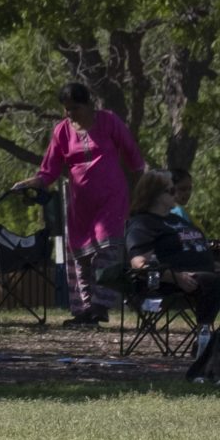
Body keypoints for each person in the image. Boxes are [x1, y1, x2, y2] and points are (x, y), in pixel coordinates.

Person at [16, 81, 145, 326]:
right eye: (66, 109)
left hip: (112, 199)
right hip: (79, 204)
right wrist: (31, 183)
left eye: (74, 108)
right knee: (82, 255)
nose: (70, 113)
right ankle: (85, 310)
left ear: (88, 104)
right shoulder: (62, 131)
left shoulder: (108, 121)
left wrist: (140, 191)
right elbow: (49, 172)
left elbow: (133, 156)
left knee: (106, 249)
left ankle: (101, 305)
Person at [123, 170, 219, 379]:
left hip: (203, 275)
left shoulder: (179, 221)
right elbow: (140, 263)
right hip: (165, 284)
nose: (177, 194)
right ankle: (204, 348)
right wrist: (176, 276)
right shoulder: (143, 223)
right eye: (171, 190)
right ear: (155, 194)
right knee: (212, 282)